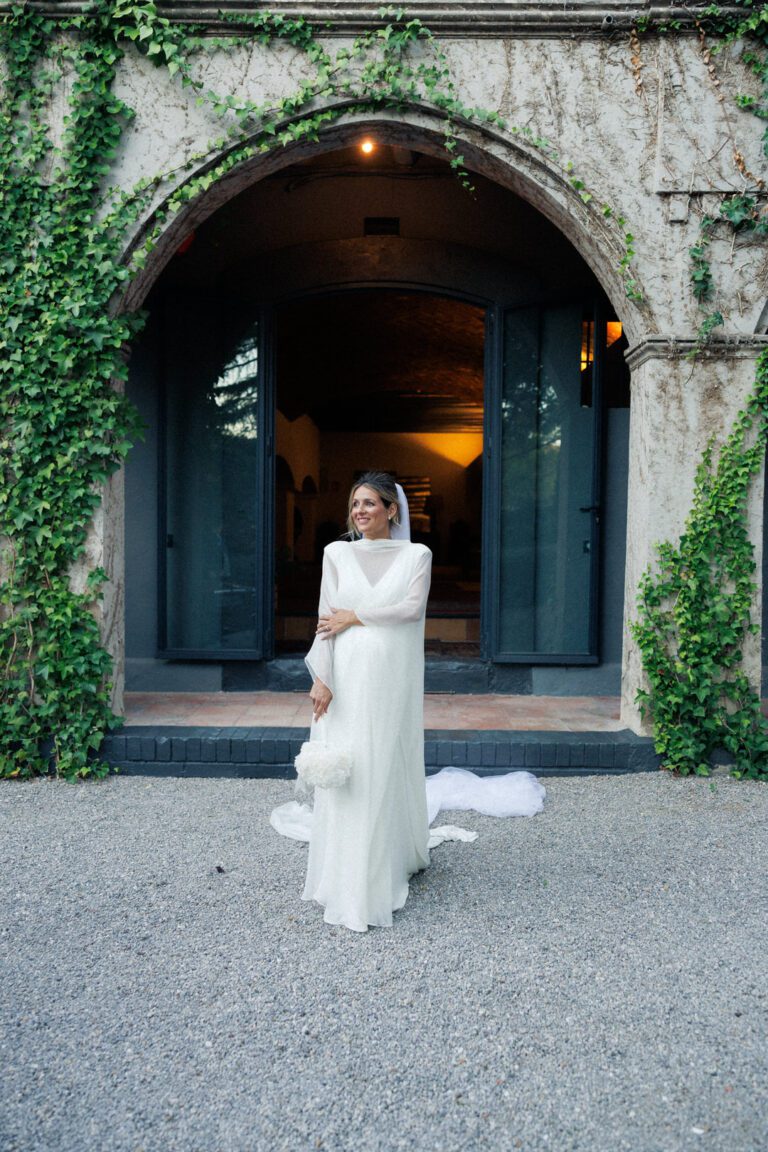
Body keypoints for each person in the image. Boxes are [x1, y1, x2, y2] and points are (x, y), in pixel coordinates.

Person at [301, 471, 432, 932]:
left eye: (370, 504)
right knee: (350, 761)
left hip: (390, 677)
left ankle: (382, 862)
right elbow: (324, 616)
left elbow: (410, 609)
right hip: (348, 674)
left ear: (391, 509)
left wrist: (355, 614)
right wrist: (323, 677)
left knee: (380, 760)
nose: (359, 511)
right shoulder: (335, 553)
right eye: (355, 504)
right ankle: (346, 867)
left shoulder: (417, 554)